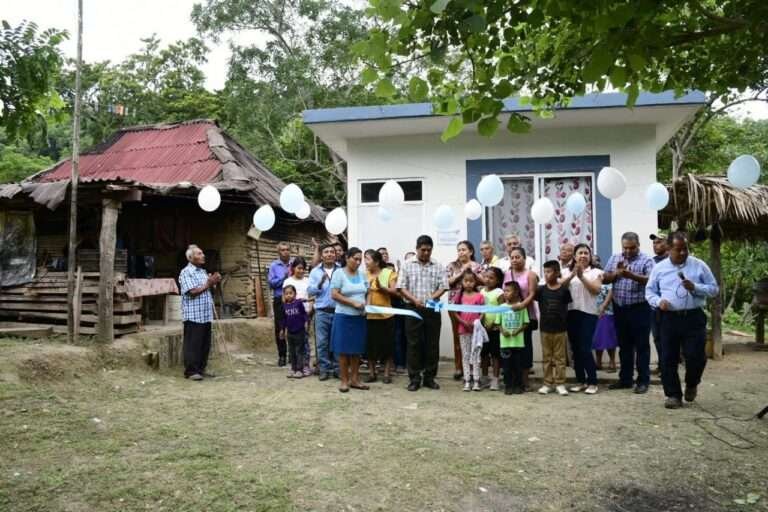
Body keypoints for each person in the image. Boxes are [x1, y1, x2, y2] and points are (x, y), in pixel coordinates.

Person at [645, 232, 719, 409]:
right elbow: (650, 292)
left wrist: (696, 287)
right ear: (669, 249)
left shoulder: (698, 265)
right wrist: (658, 302)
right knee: (667, 358)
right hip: (668, 318)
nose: (683, 253)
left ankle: (692, 383)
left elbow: (714, 289)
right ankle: (673, 395)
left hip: (693, 317)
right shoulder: (659, 268)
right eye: (679, 249)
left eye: (686, 249)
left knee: (696, 357)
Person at [603, 232, 655, 394]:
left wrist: (630, 275)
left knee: (641, 346)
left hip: (640, 308)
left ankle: (643, 381)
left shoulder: (646, 260)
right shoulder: (615, 258)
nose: (627, 251)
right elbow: (604, 278)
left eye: (631, 248)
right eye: (625, 248)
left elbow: (651, 280)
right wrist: (616, 274)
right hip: (620, 308)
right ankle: (625, 379)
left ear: (638, 245)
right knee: (624, 346)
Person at [396, 235, 449, 392]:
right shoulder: (407, 265)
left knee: (432, 343)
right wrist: (414, 300)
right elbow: (401, 287)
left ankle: (429, 378)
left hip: (433, 308)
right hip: (413, 308)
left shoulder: (438, 265)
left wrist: (430, 298)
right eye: (423, 250)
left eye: (429, 250)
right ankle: (414, 378)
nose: (426, 253)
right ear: (417, 248)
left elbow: (444, 286)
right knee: (414, 343)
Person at [561, 244, 602, 394]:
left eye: (586, 253)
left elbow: (596, 290)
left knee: (585, 348)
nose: (583, 256)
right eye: (580, 253)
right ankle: (580, 380)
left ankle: (592, 381)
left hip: (589, 313)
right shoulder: (565, 271)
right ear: (574, 256)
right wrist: (572, 275)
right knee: (576, 349)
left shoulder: (596, 272)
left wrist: (581, 277)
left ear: (590, 257)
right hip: (571, 313)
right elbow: (560, 288)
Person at [330, 247, 369, 393]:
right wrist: (352, 302)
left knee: (356, 350)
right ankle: (344, 380)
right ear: (347, 258)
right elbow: (334, 295)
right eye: (356, 259)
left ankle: (355, 379)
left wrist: (368, 306)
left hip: (359, 317)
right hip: (343, 317)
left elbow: (368, 292)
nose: (358, 262)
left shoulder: (362, 274)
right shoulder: (339, 273)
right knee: (343, 350)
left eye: (360, 260)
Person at [179, 245, 221, 381]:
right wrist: (208, 284)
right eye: (199, 253)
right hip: (193, 315)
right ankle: (191, 371)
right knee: (193, 344)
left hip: (205, 314)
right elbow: (192, 292)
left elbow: (208, 290)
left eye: (202, 253)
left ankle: (201, 369)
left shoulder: (202, 272)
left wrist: (214, 282)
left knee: (204, 344)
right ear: (191, 258)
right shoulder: (186, 272)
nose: (203, 255)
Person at [446, 240, 484, 381]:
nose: (461, 252)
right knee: (458, 337)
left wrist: (471, 271)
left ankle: (473, 368)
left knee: (473, 338)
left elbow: (484, 282)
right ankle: (459, 368)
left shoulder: (477, 266)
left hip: (473, 307)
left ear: (471, 252)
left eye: (464, 249)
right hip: (455, 306)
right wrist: (462, 271)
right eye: (459, 250)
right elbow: (447, 282)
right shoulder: (452, 266)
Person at [503, 247, 539, 391]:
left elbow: (532, 294)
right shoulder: (506, 274)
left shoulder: (530, 274)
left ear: (524, 258)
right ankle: (511, 381)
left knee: (525, 349)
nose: (515, 260)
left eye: (518, 257)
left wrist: (522, 305)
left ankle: (525, 381)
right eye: (512, 257)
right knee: (510, 349)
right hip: (509, 317)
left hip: (526, 315)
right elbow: (503, 293)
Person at [536, 260, 572, 396]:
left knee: (560, 358)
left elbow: (566, 309)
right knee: (547, 357)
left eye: (549, 271)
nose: (546, 274)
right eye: (545, 272)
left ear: (557, 273)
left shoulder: (564, 291)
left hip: (560, 329)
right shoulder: (541, 291)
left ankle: (560, 383)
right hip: (545, 329)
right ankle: (547, 383)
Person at [364, 249, 398, 384]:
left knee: (388, 346)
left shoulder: (388, 273)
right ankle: (372, 373)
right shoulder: (363, 275)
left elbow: (395, 291)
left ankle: (386, 374)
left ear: (377, 262)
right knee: (370, 347)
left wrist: (382, 288)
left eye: (367, 259)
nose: (365, 262)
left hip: (386, 316)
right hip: (370, 316)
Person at [308, 243, 340, 380]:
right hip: (321, 311)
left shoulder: (341, 270)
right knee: (322, 342)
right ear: (321, 256)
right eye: (326, 252)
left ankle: (338, 368)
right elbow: (310, 291)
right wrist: (320, 284)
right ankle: (324, 369)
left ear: (335, 255)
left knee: (337, 341)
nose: (329, 254)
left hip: (339, 311)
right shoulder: (315, 271)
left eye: (332, 252)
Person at [451, 269, 485, 391]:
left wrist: (477, 322)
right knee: (465, 355)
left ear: (475, 282)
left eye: (471, 281)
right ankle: (467, 380)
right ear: (462, 282)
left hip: (476, 331)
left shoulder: (479, 296)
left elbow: (483, 312)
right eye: (466, 281)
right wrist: (463, 322)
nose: (469, 283)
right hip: (463, 330)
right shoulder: (458, 296)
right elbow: (454, 312)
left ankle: (476, 380)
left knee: (475, 355)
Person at [283, 257, 313, 376]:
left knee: (305, 341)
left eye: (303, 268)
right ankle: (294, 367)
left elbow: (311, 295)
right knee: (293, 344)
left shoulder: (308, 281)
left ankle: (305, 366)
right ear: (293, 268)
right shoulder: (288, 281)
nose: (301, 271)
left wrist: (310, 309)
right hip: (291, 316)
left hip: (305, 315)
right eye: (298, 268)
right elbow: (284, 298)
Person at [499, 280, 529, 395]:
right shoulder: (501, 307)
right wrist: (502, 331)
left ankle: (518, 386)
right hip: (505, 343)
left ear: (516, 293)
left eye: (508, 291)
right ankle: (508, 386)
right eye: (504, 291)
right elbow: (498, 323)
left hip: (518, 343)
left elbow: (526, 323)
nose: (505, 293)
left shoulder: (521, 307)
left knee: (518, 366)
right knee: (506, 367)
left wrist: (518, 330)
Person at [267, 242, 292, 366]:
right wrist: (284, 277)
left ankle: (293, 355)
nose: (285, 252)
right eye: (283, 250)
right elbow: (271, 283)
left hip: (294, 300)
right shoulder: (274, 266)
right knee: (280, 328)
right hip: (279, 299)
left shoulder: (294, 264)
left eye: (287, 249)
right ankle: (282, 355)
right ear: (279, 252)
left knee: (294, 326)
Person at [479, 266, 504, 390]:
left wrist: (495, 324)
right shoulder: (482, 292)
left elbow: (502, 310)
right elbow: (480, 309)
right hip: (483, 329)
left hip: (495, 329)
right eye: (486, 277)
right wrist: (481, 323)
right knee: (484, 354)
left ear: (498, 280)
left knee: (495, 355)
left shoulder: (499, 292)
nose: (488, 280)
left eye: (491, 278)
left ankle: (495, 379)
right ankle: (484, 377)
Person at [649, 233, 670, 376]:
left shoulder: (673, 260)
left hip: (670, 307)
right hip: (654, 307)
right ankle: (662, 366)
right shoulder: (651, 262)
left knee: (667, 338)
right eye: (654, 243)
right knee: (657, 338)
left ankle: (668, 367)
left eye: (659, 242)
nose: (655, 245)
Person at [281, 284, 309, 379]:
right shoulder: (284, 306)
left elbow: (304, 314)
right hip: (290, 332)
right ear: (284, 295)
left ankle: (300, 370)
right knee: (292, 351)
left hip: (299, 331)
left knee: (299, 351)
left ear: (295, 294)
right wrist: (282, 330)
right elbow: (284, 319)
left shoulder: (298, 303)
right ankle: (293, 369)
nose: (289, 295)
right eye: (286, 294)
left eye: (291, 293)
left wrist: (305, 323)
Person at [593, 283, 618, 372]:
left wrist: (604, 305)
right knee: (597, 338)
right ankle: (598, 362)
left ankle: (612, 362)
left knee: (608, 338)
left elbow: (611, 291)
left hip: (607, 311)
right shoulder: (593, 275)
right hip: (593, 311)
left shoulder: (609, 276)